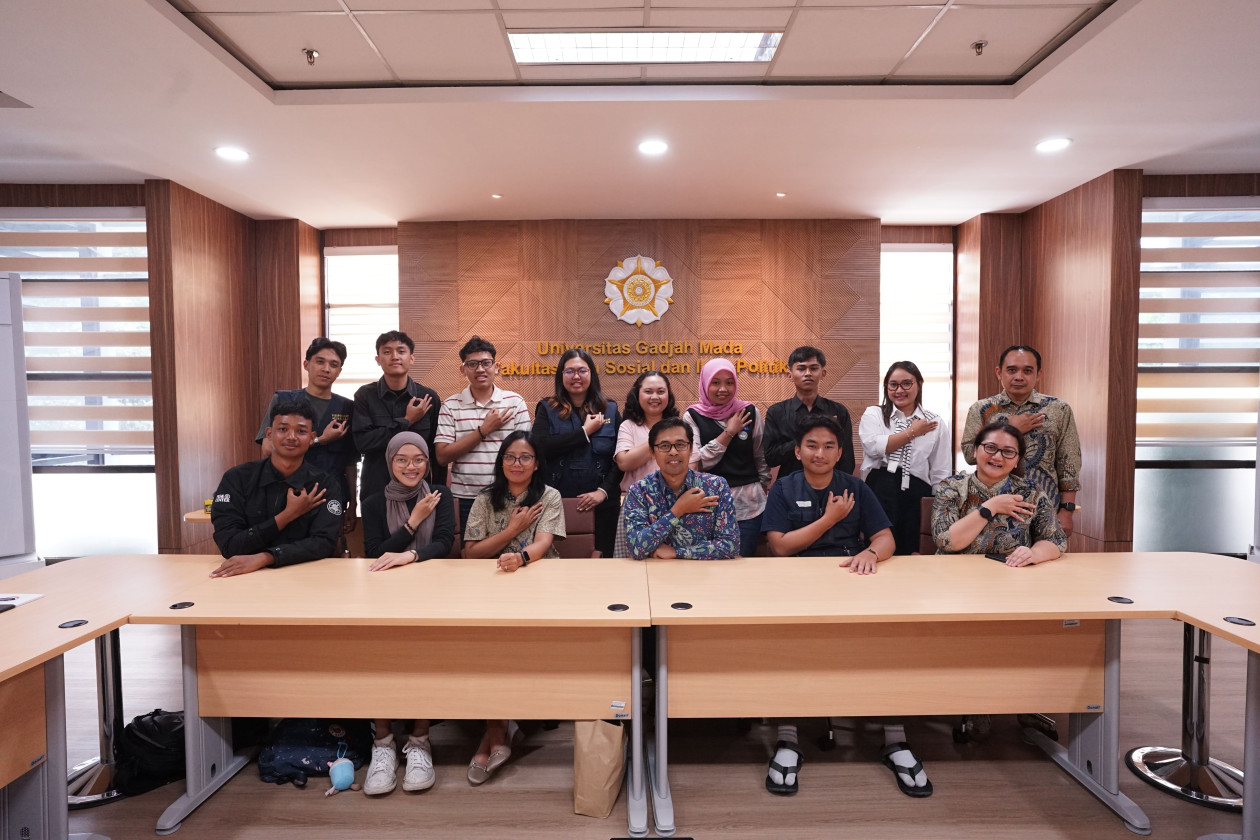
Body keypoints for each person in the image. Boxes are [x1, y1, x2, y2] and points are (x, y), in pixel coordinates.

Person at [759, 416, 920, 798]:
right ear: (797, 452)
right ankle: (787, 737)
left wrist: (871, 552)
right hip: (797, 583)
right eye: (811, 445)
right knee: (791, 649)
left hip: (849, 577)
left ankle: (894, 738)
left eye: (829, 446)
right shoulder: (783, 488)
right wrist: (829, 519)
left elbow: (885, 538)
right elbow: (779, 546)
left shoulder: (855, 488)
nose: (820, 452)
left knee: (882, 641)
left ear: (840, 452)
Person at [460, 431, 566, 784]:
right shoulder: (485, 498)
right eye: (510, 457)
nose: (517, 464)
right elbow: (471, 553)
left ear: (537, 464)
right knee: (488, 652)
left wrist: (519, 557)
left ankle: (493, 734)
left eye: (525, 457)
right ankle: (499, 730)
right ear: (500, 462)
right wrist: (514, 528)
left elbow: (543, 544)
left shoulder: (549, 496)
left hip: (540, 586)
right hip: (490, 587)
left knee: (511, 652)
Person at [360, 432, 455, 796]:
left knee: (426, 660)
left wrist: (411, 555)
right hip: (384, 595)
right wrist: (412, 524)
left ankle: (419, 740)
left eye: (418, 459)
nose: (411, 466)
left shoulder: (440, 495)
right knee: (379, 660)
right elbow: (374, 552)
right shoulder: (371, 502)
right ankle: (382, 743)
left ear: (428, 462)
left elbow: (445, 543)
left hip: (433, 592)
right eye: (402, 459)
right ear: (389, 462)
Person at [210, 400, 343, 577]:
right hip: (244, 579)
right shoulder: (237, 478)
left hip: (306, 577)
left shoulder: (324, 484)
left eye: (301, 431)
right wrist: (287, 515)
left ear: (312, 438)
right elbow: (230, 545)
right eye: (283, 429)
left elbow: (323, 543)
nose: (291, 437)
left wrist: (267, 557)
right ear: (269, 434)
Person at [961, 345, 1082, 537]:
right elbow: (969, 454)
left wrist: (1067, 511)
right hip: (990, 507)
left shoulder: (1059, 410)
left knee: (1046, 561)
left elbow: (1069, 463)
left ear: (1038, 374)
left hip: (1045, 507)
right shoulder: (981, 409)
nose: (1019, 377)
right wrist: (1009, 427)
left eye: (1027, 371)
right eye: (1011, 370)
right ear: (999, 373)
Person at [254, 337, 358, 541]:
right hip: (286, 493)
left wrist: (353, 504)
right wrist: (320, 440)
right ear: (306, 364)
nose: (326, 369)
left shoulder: (348, 408)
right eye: (320, 362)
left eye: (334, 365)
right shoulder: (283, 400)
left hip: (331, 495)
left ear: (339, 371)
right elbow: (267, 449)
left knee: (329, 555)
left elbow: (351, 462)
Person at [433, 336, 531, 532]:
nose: (480, 369)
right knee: (471, 557)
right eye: (472, 364)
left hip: (508, 495)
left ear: (496, 367)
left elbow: (527, 453)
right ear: (463, 369)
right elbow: (442, 456)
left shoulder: (514, 402)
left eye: (486, 363)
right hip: (466, 497)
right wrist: (484, 430)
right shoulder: (451, 406)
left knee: (509, 555)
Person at [933, 421, 1067, 563]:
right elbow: (945, 541)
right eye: (990, 447)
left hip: (1010, 574)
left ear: (1017, 460)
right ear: (975, 450)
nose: (997, 457)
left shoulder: (1031, 491)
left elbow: (1056, 539)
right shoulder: (951, 487)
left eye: (1008, 452)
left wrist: (1034, 554)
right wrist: (992, 506)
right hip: (955, 573)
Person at [531, 348, 620, 558]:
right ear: (561, 375)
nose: (576, 376)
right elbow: (539, 447)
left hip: (602, 503)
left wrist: (603, 492)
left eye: (582, 370)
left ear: (592, 374)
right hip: (557, 501)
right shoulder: (547, 407)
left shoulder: (611, 409)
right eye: (569, 371)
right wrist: (584, 433)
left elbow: (620, 459)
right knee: (559, 561)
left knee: (602, 562)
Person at [859, 361, 952, 556]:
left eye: (906, 384)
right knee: (879, 544)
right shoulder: (874, 414)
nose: (899, 390)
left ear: (919, 384)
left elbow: (940, 469)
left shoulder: (934, 422)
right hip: (879, 485)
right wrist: (912, 432)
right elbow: (874, 447)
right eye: (893, 385)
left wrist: (936, 506)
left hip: (917, 489)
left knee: (910, 549)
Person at [683, 358, 770, 556]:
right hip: (707, 504)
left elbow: (760, 454)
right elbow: (699, 461)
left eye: (729, 382)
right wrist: (729, 433)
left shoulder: (749, 412)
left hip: (748, 505)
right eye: (716, 382)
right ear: (705, 384)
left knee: (742, 562)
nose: (723, 389)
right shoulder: (692, 416)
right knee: (709, 565)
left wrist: (764, 482)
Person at [621, 417, 738, 561]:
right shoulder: (639, 491)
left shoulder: (716, 486)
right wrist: (678, 510)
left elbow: (730, 546)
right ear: (652, 452)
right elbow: (637, 548)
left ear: (690, 449)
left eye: (680, 444)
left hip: (705, 576)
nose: (673, 452)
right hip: (655, 576)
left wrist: (677, 552)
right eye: (664, 446)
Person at [353, 330, 442, 503]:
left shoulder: (428, 398)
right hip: (376, 490)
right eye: (387, 352)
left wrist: (437, 490)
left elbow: (436, 452)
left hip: (420, 493)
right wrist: (406, 421)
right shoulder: (365, 396)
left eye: (401, 351)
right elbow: (362, 443)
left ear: (412, 358)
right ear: (378, 360)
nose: (394, 356)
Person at [764, 345, 855, 478]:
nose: (807, 373)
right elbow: (770, 457)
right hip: (790, 486)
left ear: (823, 373)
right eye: (801, 368)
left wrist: (839, 487)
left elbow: (846, 458)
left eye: (813, 368)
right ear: (790, 375)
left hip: (829, 486)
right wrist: (802, 440)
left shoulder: (838, 411)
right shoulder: (777, 412)